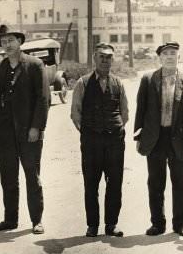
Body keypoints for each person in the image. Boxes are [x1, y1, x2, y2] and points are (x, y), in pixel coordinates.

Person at [0, 25, 48, 234]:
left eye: (11, 40)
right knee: (8, 177)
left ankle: (36, 220)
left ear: (20, 42)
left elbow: (43, 99)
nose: (8, 45)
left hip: (29, 133)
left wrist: (36, 127)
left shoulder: (35, 65)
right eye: (4, 42)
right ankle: (10, 219)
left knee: (32, 175)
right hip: (5, 136)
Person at [134, 42, 183, 237]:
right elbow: (141, 110)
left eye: (173, 53)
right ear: (160, 58)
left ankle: (181, 224)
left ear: (179, 57)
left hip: (179, 139)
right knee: (155, 182)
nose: (170, 57)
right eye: (166, 54)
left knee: (181, 182)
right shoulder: (148, 79)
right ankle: (157, 223)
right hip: (155, 139)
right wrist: (139, 137)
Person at [70, 43, 129, 237]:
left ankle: (111, 224)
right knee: (91, 183)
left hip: (114, 141)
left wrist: (114, 127)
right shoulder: (83, 83)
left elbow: (125, 112)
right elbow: (75, 113)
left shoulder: (118, 83)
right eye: (102, 57)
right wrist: (88, 131)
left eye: (109, 57)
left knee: (115, 183)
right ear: (95, 58)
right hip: (91, 142)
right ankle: (92, 225)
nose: (105, 61)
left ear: (113, 60)